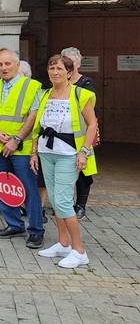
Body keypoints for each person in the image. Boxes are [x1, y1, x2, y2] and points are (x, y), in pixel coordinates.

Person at [31, 54, 97, 268]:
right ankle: (63, 243)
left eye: (59, 68)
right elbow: (38, 126)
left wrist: (84, 152)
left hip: (69, 154)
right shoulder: (45, 94)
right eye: (51, 68)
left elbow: (93, 125)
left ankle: (79, 251)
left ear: (69, 72)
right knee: (53, 198)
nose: (55, 72)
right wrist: (33, 152)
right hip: (46, 152)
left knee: (63, 201)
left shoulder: (81, 95)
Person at [0, 48, 45, 249]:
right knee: (4, 186)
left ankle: (36, 230)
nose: (3, 68)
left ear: (17, 65)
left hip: (21, 147)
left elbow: (33, 115)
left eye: (7, 64)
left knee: (29, 190)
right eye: (0, 64)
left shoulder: (32, 86)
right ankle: (14, 225)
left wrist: (16, 139)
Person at [61, 46, 97, 220]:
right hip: (63, 136)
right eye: (65, 61)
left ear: (78, 64)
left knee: (84, 170)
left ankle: (81, 205)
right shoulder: (57, 84)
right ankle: (65, 204)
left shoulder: (86, 83)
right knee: (66, 171)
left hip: (82, 134)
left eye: (71, 62)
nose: (68, 65)